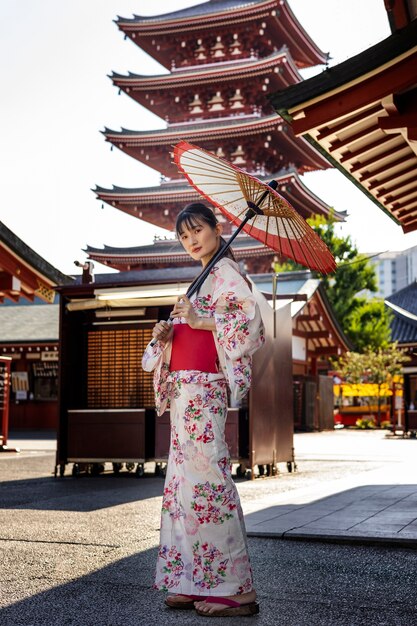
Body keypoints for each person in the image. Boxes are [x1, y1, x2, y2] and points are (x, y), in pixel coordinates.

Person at [142, 203, 264, 617]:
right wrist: (167, 332)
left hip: (203, 391)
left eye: (197, 230)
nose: (191, 240)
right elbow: (193, 327)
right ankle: (192, 579)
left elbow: (248, 325)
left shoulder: (227, 273)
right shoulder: (203, 276)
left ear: (218, 229)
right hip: (184, 393)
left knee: (209, 483)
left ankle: (235, 588)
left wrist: (200, 318)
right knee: (184, 486)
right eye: (183, 235)